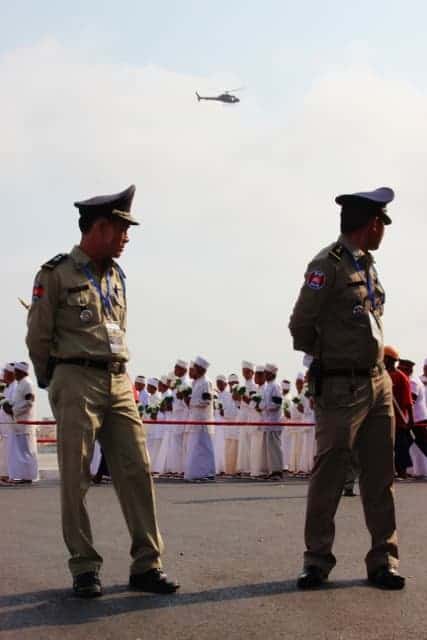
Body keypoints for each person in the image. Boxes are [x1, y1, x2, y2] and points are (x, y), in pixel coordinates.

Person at [26, 185, 178, 597]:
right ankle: (84, 565)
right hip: (75, 378)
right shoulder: (56, 274)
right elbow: (38, 337)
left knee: (137, 470)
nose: (127, 238)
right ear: (100, 227)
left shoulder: (116, 275)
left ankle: (147, 564)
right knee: (76, 476)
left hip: (117, 379)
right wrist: (54, 381)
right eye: (122, 229)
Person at [289, 186, 404, 590]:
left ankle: (383, 558)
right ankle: (317, 558)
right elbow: (300, 325)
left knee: (379, 475)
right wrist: (328, 358)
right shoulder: (328, 265)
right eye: (382, 224)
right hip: (340, 387)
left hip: (377, 382)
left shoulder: (368, 266)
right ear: (372, 225)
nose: (383, 232)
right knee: (330, 473)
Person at [383, 348, 414, 479]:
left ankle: (402, 472)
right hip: (384, 418)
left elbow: (408, 400)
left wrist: (410, 419)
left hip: (399, 419)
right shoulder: (382, 375)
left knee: (401, 446)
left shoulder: (400, 377)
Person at [184, 356, 215, 481]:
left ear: (201, 369)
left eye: (194, 369)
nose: (192, 371)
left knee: (204, 447)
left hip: (202, 420)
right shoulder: (195, 383)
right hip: (194, 419)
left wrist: (191, 401)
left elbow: (206, 401)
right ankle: (196, 473)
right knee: (195, 448)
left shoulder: (206, 382)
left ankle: (207, 473)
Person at [7, 362, 39, 484]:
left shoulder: (27, 383)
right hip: (18, 423)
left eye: (16, 372)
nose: (14, 374)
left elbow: (29, 402)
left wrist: (13, 410)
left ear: (22, 372)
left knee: (27, 451)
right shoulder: (20, 384)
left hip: (25, 423)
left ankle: (29, 476)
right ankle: (24, 476)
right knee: (21, 451)